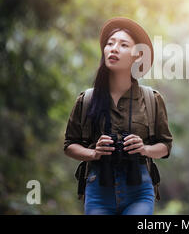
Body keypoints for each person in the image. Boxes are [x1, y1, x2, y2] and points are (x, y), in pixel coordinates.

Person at [64, 17, 173, 215]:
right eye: (110, 43)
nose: (113, 48)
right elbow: (69, 145)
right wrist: (94, 153)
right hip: (98, 189)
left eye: (123, 45)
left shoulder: (151, 99)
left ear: (137, 55)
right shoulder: (86, 99)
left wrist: (144, 149)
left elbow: (165, 147)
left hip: (139, 189)